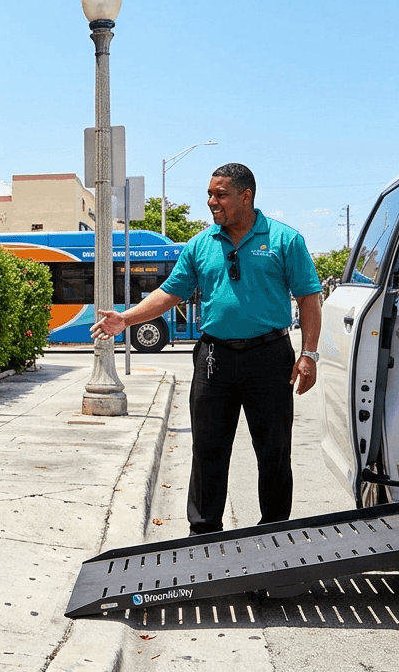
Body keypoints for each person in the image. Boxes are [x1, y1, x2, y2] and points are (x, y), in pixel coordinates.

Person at [91, 163, 322, 536]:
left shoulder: (283, 240)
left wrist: (308, 355)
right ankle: (203, 534)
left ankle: (275, 533)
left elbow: (309, 298)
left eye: (220, 195)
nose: (211, 201)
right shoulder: (201, 244)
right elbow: (170, 292)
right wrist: (127, 319)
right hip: (215, 358)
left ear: (246, 196)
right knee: (208, 452)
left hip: (269, 357)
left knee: (274, 452)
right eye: (210, 194)